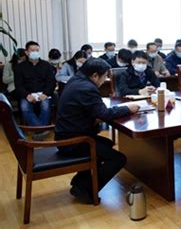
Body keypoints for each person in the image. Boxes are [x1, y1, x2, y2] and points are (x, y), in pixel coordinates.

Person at [55, 58, 140, 204]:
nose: (105, 79)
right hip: (73, 141)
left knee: (106, 144)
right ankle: (85, 188)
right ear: (94, 75)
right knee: (118, 159)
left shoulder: (76, 80)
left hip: (68, 133)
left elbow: (95, 112)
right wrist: (128, 108)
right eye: (104, 76)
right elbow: (104, 113)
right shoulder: (86, 88)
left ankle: (79, 181)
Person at [14, 41, 56, 132]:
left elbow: (51, 82)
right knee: (25, 107)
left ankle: (38, 130)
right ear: (26, 52)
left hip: (43, 93)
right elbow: (18, 85)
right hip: (27, 94)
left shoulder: (46, 65)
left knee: (45, 107)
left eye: (37, 50)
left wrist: (46, 93)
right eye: (32, 50)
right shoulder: (19, 67)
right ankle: (42, 130)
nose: (35, 52)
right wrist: (27, 95)